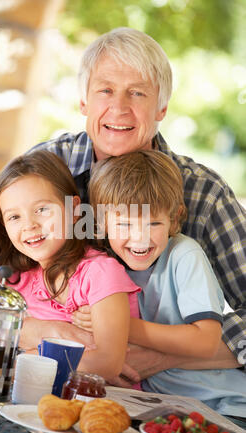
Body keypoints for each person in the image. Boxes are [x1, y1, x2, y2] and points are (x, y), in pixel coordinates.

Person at [27, 26, 246, 382]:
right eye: (106, 90)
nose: (119, 107)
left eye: (137, 93)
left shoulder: (202, 194)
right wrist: (50, 332)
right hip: (52, 372)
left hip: (162, 393)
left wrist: (162, 358)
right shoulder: (47, 170)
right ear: (84, 100)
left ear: (161, 107)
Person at [0, 150, 141, 381]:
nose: (29, 225)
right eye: (14, 217)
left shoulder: (100, 273)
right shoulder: (19, 280)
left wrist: (17, 356)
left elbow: (107, 363)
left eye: (41, 209)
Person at [82, 150, 246, 419]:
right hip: (161, 406)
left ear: (174, 218)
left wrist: (120, 325)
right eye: (124, 224)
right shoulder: (103, 264)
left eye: (154, 223)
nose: (140, 238)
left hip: (223, 405)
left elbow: (206, 340)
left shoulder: (185, 255)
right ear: (101, 223)